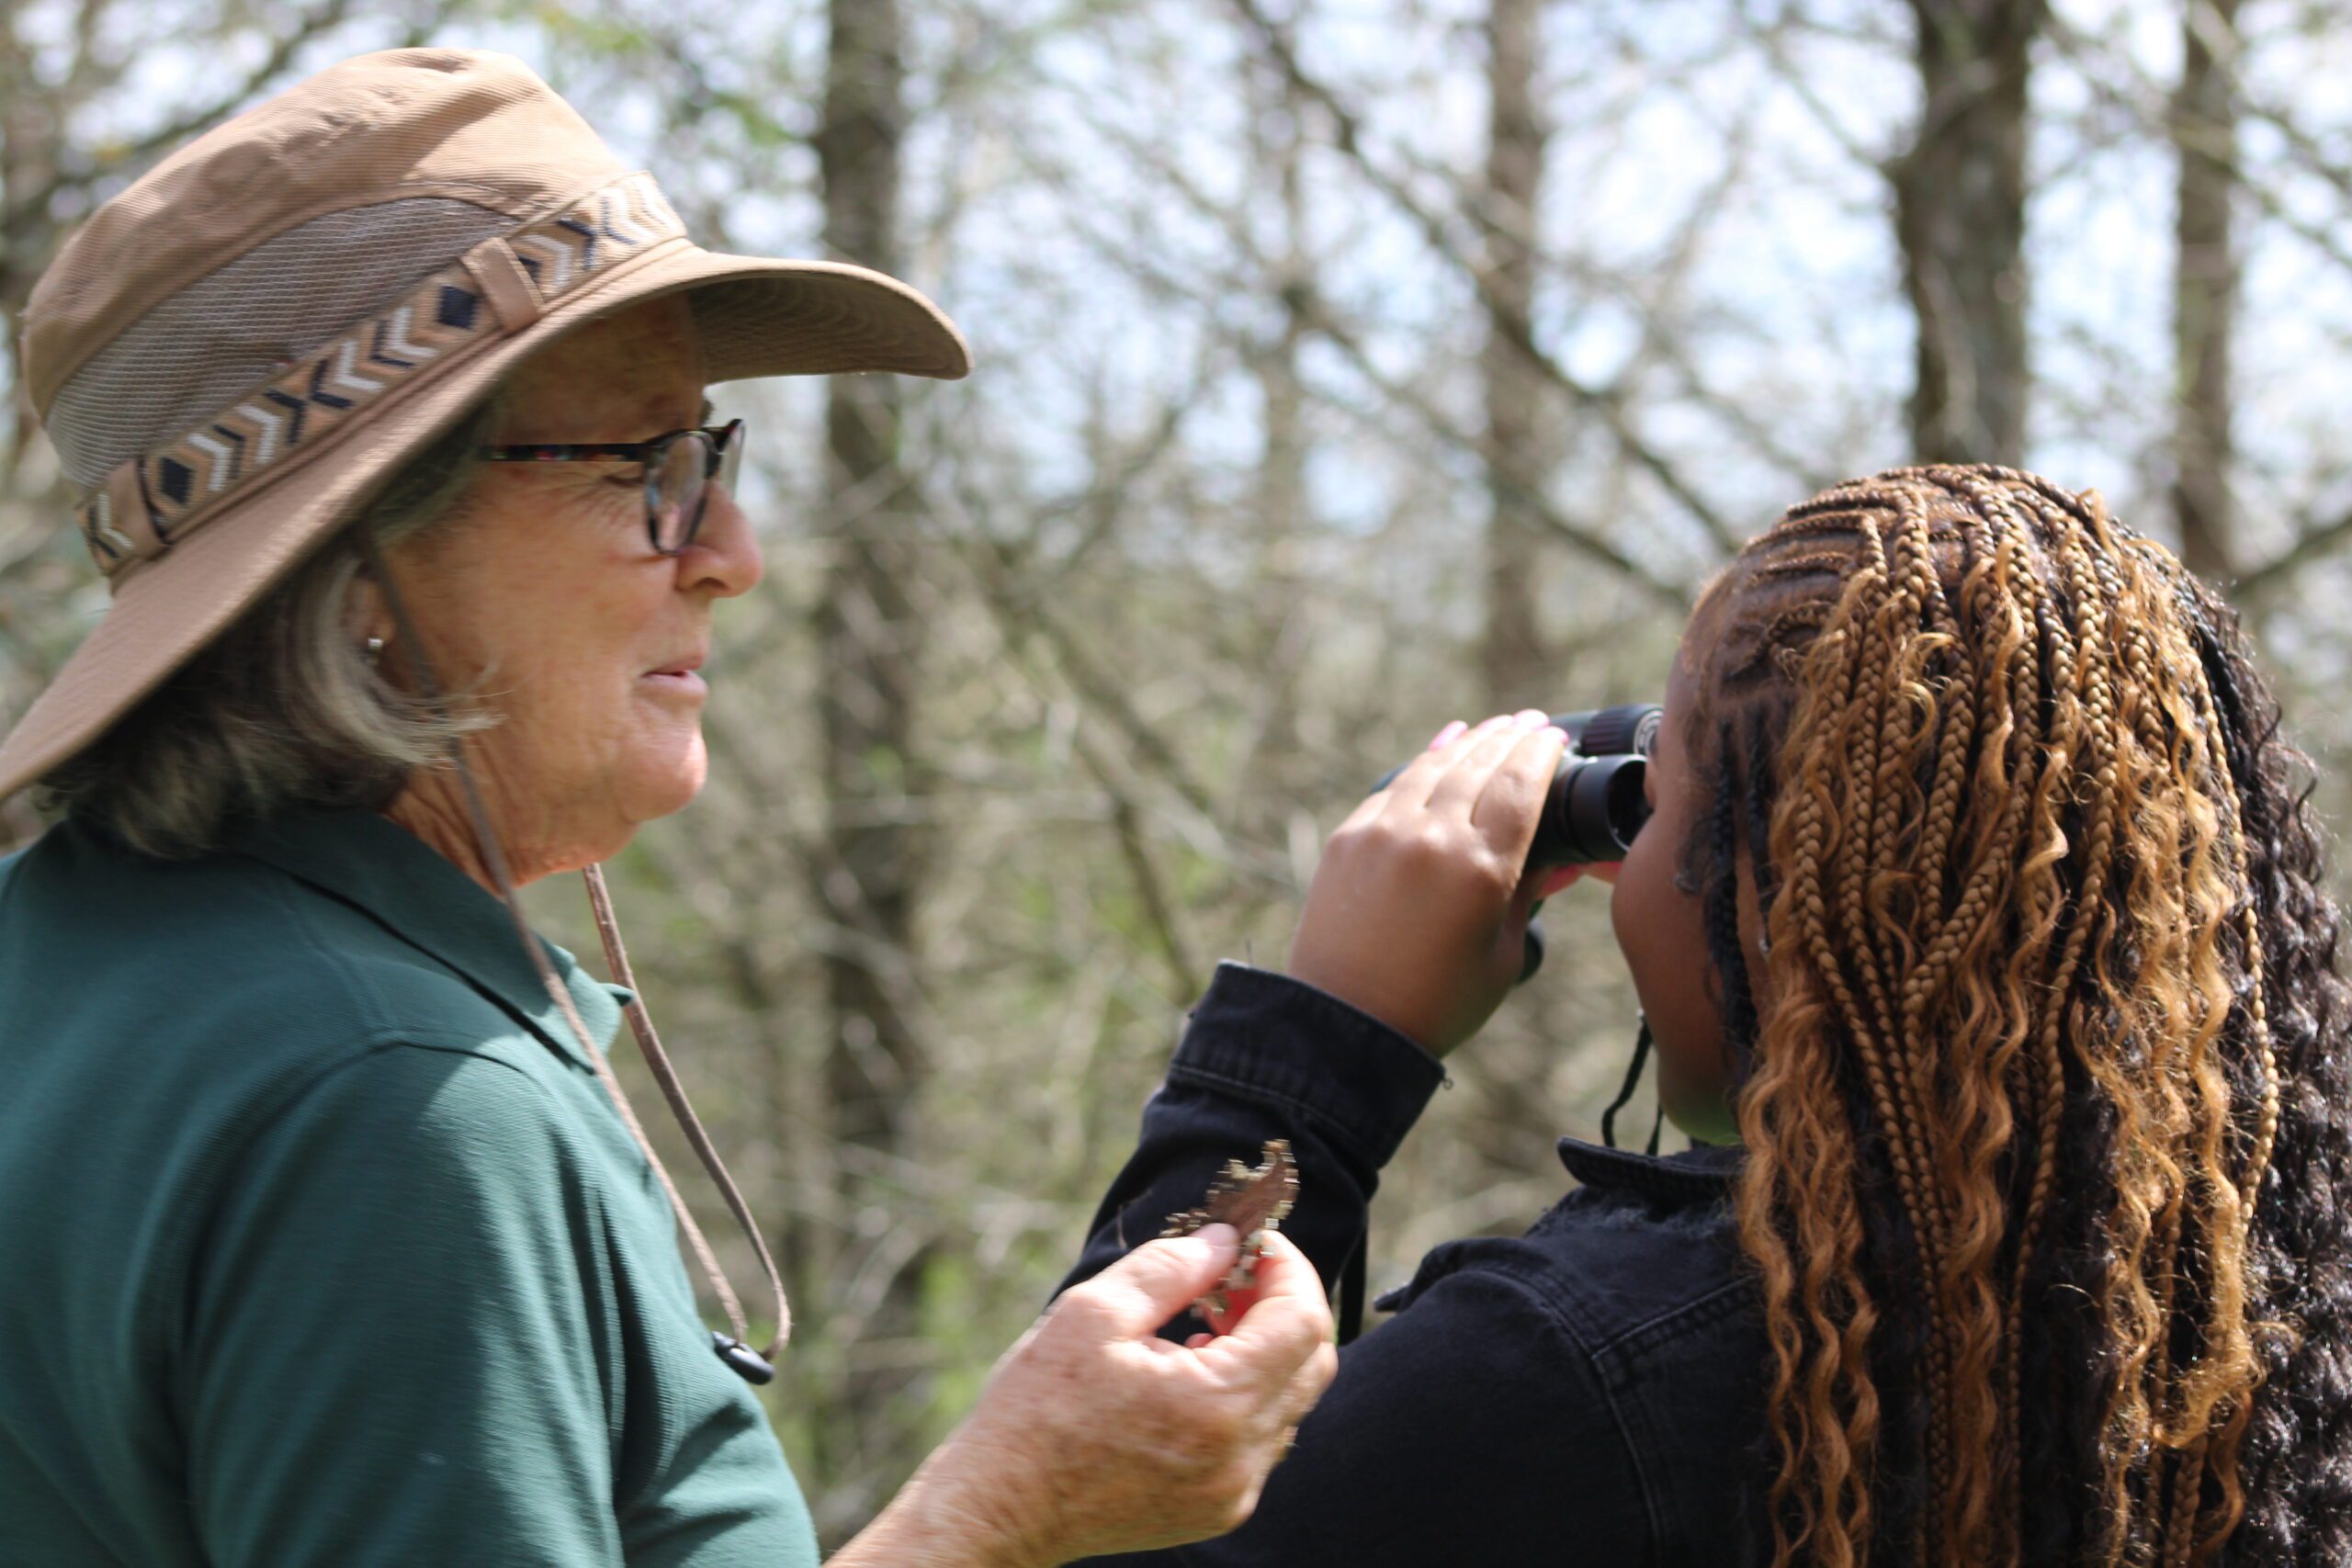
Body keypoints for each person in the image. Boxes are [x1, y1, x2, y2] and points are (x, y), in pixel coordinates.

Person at [0, 50, 1334, 1568]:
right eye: (644, 465)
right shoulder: (400, 1105)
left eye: (712, 453)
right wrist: (998, 1518)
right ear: (360, 561)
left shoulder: (69, 952)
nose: (732, 551)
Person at [1062, 466, 2352, 1566]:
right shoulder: (2272, 1313)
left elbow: (1058, 1518)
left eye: (1661, 798)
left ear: (1769, 898)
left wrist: (1314, 1052)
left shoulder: (1562, 1381)